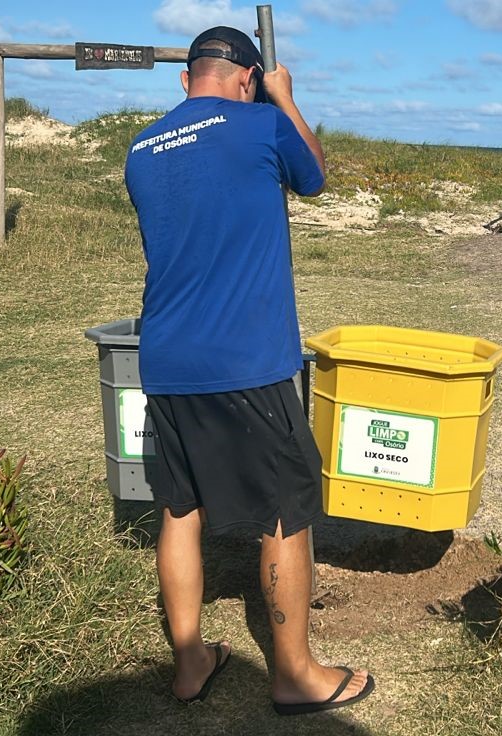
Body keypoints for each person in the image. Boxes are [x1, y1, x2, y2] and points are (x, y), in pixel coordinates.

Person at [124, 26, 374, 715]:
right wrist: (284, 98)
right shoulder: (261, 123)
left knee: (180, 508)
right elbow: (314, 177)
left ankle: (190, 664)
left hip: (166, 356)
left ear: (186, 79)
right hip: (245, 359)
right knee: (286, 508)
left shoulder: (141, 148)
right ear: (247, 80)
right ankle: (294, 674)